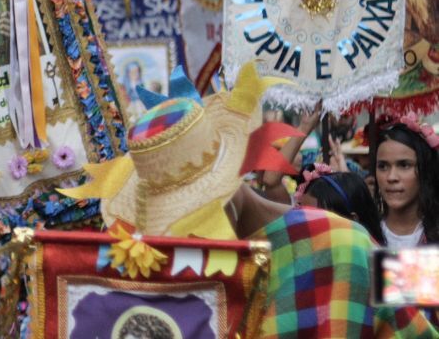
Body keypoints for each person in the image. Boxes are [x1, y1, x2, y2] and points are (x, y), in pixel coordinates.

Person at [64, 63, 437, 337]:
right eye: (170, 218)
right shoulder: (180, 265)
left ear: (231, 184)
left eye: (196, 210)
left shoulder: (350, 241)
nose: (189, 232)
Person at [368, 115, 439, 247]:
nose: (391, 177)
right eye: (383, 166)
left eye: (404, 165)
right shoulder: (363, 236)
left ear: (425, 169)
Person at [295, 164, 386, 245]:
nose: (304, 225)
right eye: (302, 215)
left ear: (352, 221)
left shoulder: (372, 261)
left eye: (316, 219)